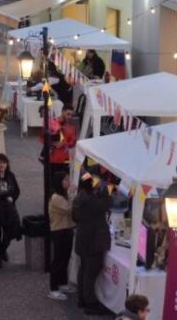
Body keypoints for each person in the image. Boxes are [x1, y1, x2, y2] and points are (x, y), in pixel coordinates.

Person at [73, 173, 113, 315]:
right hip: (93, 241)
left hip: (83, 238)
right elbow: (107, 203)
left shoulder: (79, 197)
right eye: (96, 182)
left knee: (83, 269)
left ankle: (82, 298)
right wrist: (105, 189)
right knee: (91, 273)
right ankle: (90, 303)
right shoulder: (91, 201)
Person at [48, 173, 76, 301]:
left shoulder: (62, 195)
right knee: (58, 260)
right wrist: (72, 194)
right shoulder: (56, 197)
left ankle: (63, 283)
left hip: (67, 229)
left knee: (65, 258)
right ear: (59, 181)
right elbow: (69, 209)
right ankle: (53, 289)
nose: (68, 181)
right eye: (65, 179)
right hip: (59, 231)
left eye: (68, 179)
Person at [50, 105, 77, 176]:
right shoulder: (53, 122)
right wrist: (52, 143)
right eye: (68, 114)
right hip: (52, 159)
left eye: (71, 115)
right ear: (62, 112)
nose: (70, 117)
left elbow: (73, 142)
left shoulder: (72, 127)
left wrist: (64, 143)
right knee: (51, 180)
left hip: (65, 159)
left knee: (65, 179)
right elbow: (42, 138)